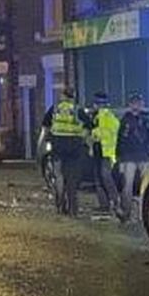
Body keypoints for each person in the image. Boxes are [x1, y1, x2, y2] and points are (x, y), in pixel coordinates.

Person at [42, 88, 92, 216]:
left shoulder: (54, 109)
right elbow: (89, 125)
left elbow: (45, 126)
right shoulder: (77, 109)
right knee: (72, 178)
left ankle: (60, 203)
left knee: (58, 175)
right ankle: (72, 209)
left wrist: (47, 139)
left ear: (63, 96)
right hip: (74, 147)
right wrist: (82, 137)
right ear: (73, 97)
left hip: (58, 146)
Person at [116, 92, 149, 222]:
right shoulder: (126, 119)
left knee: (145, 186)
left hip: (144, 156)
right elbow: (120, 140)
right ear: (130, 104)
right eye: (134, 102)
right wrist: (119, 158)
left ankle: (145, 214)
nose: (136, 105)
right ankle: (126, 213)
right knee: (127, 186)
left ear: (142, 104)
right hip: (129, 157)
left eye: (138, 102)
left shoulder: (147, 117)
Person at [88, 91, 119, 215]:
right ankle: (104, 205)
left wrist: (94, 133)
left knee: (106, 178)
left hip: (106, 152)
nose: (94, 105)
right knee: (99, 179)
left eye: (96, 103)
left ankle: (115, 202)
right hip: (98, 151)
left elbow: (106, 132)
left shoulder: (106, 116)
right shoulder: (96, 116)